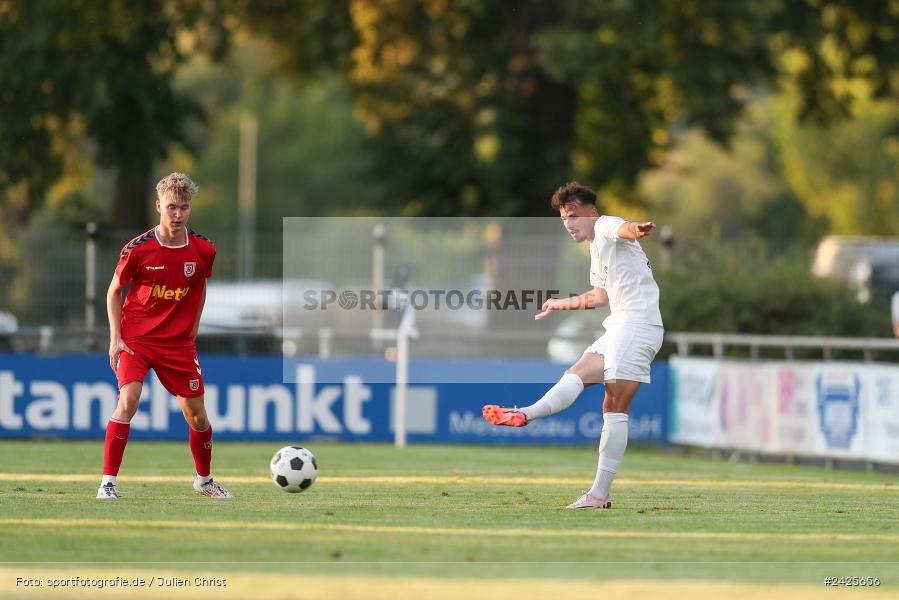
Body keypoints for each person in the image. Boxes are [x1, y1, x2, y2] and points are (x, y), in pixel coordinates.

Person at [482, 182, 664, 509]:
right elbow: (600, 297)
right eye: (565, 218)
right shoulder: (595, 247)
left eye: (574, 216)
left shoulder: (606, 225)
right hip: (621, 324)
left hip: (638, 324)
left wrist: (635, 229)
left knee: (614, 406)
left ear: (591, 214)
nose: (569, 224)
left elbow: (622, 228)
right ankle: (525, 414)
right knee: (576, 373)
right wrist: (559, 303)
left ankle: (599, 494)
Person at [97, 173, 233, 499]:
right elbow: (114, 292)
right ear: (158, 206)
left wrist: (193, 328)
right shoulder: (138, 249)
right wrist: (116, 338)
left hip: (178, 344)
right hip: (137, 339)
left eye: (183, 208)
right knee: (128, 401)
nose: (177, 214)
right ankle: (107, 484)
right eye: (171, 207)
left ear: (189, 209)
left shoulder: (204, 250)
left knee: (197, 416)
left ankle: (204, 480)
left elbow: (199, 288)